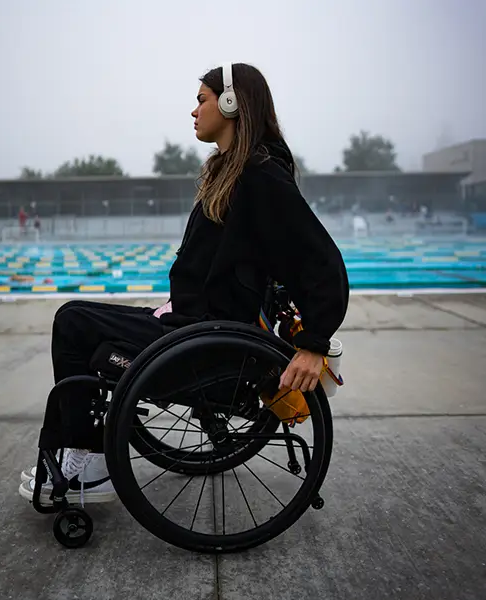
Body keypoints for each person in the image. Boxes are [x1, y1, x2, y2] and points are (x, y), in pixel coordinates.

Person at [18, 62, 349, 505]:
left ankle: (90, 461)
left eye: (202, 100)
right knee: (81, 321)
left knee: (74, 321)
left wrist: (314, 344)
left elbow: (321, 261)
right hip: (195, 327)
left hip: (208, 345)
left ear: (232, 104)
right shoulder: (236, 172)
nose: (194, 111)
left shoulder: (259, 176)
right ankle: (82, 449)